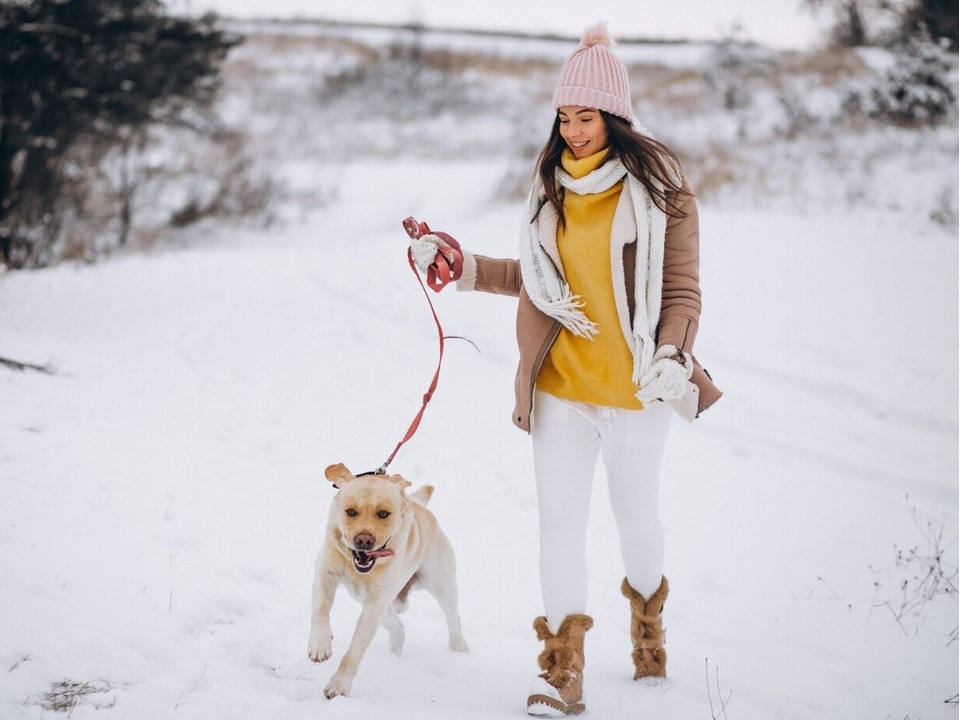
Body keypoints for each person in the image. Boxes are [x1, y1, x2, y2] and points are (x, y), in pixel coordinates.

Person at [408, 23, 722, 717]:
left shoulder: (663, 190)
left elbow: (681, 289)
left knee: (636, 518)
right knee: (559, 523)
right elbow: (540, 278)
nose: (573, 130)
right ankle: (562, 667)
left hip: (639, 386)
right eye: (563, 117)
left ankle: (648, 633)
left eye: (585, 117)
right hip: (559, 388)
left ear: (614, 116)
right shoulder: (550, 187)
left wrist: (673, 351)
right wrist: (464, 269)